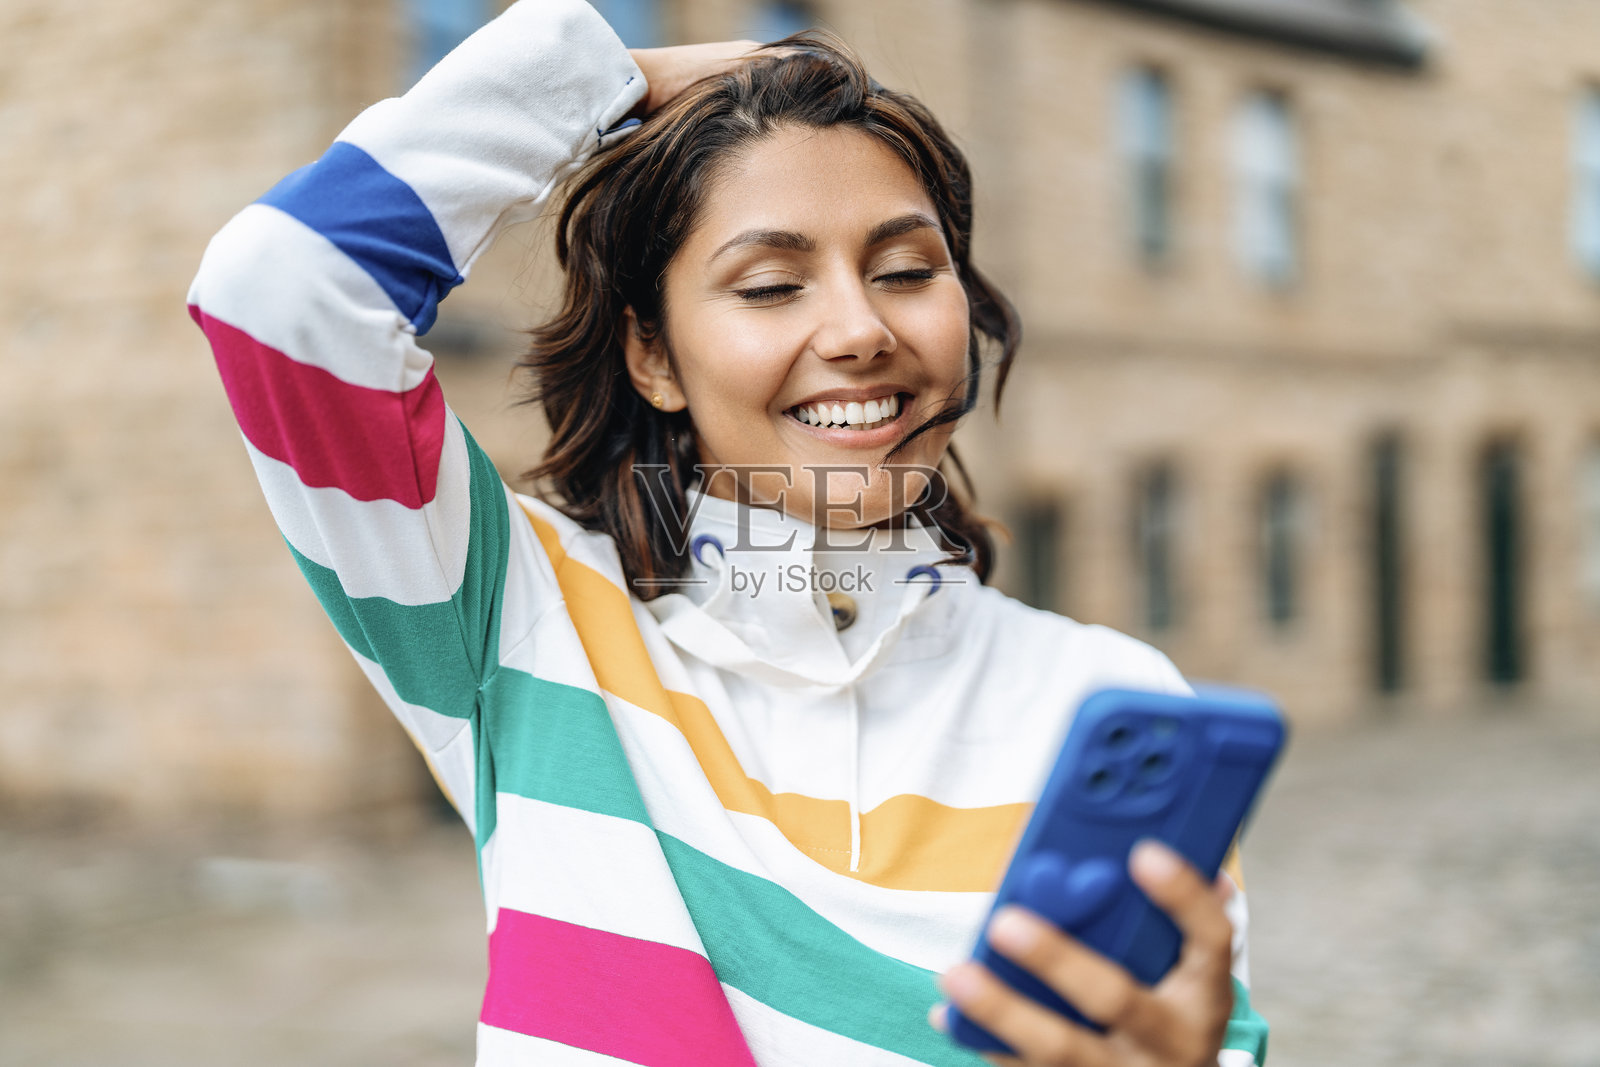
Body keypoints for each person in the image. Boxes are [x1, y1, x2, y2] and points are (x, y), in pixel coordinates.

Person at [188, 1, 1269, 1063]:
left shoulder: (1112, 700)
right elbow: (283, 289)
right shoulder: (517, 618)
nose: (860, 329)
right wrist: (604, 78)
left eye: (905, 270)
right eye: (769, 284)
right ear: (652, 356)